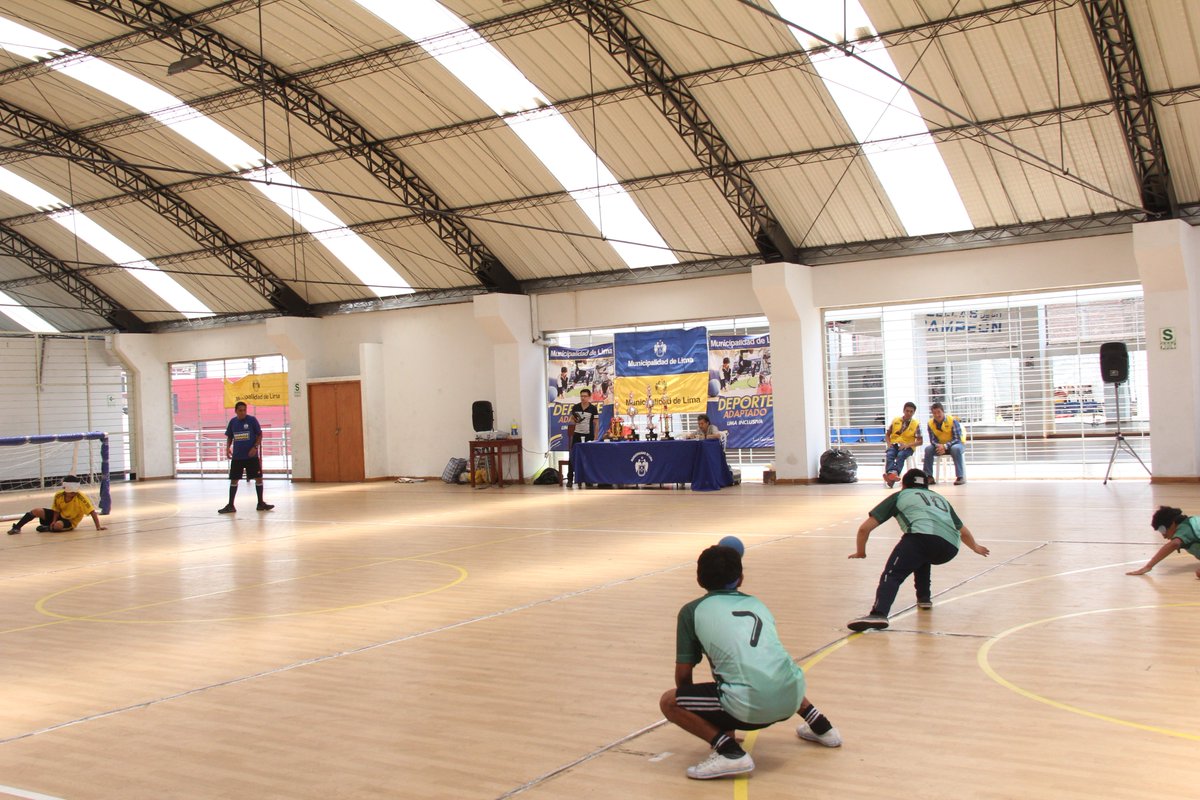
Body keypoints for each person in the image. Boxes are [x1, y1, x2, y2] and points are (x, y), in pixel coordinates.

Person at [660, 544, 842, 781]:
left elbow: (683, 678)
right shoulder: (757, 603)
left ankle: (729, 752)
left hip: (751, 707)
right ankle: (823, 728)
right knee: (771, 669)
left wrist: (715, 721)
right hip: (794, 696)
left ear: (699, 579)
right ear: (741, 578)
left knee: (669, 702)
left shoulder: (691, 611)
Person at [846, 468, 989, 631]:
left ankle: (879, 613)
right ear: (927, 486)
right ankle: (924, 597)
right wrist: (975, 547)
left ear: (903, 485)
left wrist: (861, 552)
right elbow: (962, 530)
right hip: (950, 547)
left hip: (921, 538)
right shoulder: (940, 498)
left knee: (892, 574)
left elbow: (865, 529)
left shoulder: (900, 496)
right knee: (920, 556)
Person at [219, 401, 274, 514]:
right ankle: (231, 505)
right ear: (236, 411)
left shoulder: (252, 420)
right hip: (238, 457)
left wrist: (255, 447)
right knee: (234, 479)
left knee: (258, 478)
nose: (243, 412)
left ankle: (260, 503)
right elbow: (230, 436)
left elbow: (259, 434)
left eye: (244, 410)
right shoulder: (233, 422)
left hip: (251, 456)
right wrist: (227, 448)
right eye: (240, 410)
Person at [8, 475, 106, 534]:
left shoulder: (81, 498)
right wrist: (53, 520)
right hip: (59, 516)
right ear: (65, 489)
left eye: (74, 491)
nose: (73, 493)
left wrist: (98, 526)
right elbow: (56, 509)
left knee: (58, 526)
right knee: (36, 510)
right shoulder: (58, 495)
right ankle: (17, 528)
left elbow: (92, 512)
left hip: (70, 521)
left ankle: (48, 528)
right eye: (71, 491)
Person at [1126, 506, 1200, 579]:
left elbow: (1174, 544)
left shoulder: (1185, 528)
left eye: (1162, 530)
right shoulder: (1190, 525)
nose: (1164, 536)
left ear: (1173, 523)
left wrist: (1148, 567)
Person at [922, 402, 966, 485]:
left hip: (956, 445)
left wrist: (945, 446)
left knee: (955, 448)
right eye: (934, 413)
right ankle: (928, 477)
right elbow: (933, 440)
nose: (937, 415)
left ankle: (960, 477)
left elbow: (957, 438)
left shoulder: (952, 421)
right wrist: (939, 446)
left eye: (939, 412)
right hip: (940, 446)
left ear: (943, 411)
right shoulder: (930, 423)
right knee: (928, 449)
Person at [883, 401, 923, 488]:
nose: (909, 413)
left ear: (913, 412)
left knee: (901, 455)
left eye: (911, 411)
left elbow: (920, 441)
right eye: (907, 411)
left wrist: (907, 445)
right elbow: (887, 434)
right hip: (894, 444)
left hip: (907, 447)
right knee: (890, 454)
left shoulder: (916, 424)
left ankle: (891, 475)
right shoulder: (896, 420)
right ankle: (892, 476)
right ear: (903, 410)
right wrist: (889, 443)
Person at [566, 388, 599, 488]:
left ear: (589, 397)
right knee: (572, 456)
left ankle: (588, 479)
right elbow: (571, 419)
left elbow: (596, 423)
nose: (583, 398)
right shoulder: (576, 407)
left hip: (588, 435)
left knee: (589, 457)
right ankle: (570, 479)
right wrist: (574, 420)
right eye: (581, 396)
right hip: (577, 434)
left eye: (585, 396)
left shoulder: (593, 408)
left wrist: (595, 437)